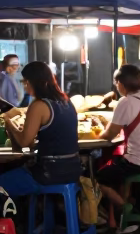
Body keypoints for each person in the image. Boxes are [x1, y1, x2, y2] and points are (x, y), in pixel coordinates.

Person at [96, 65, 140, 231]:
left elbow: (109, 135)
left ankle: (125, 206)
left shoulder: (125, 102)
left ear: (120, 83)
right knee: (118, 165)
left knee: (98, 177)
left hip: (139, 163)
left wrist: (96, 135)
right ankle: (131, 209)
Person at [0, 62, 82, 193]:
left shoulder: (39, 105)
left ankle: (15, 213)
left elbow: (24, 142)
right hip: (73, 170)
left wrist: (8, 121)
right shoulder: (66, 101)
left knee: (2, 183)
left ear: (34, 82)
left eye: (25, 82)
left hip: (48, 173)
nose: (25, 87)